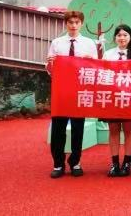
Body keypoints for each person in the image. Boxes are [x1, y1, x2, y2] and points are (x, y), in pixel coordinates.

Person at [46, 10, 98, 178]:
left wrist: (90, 60)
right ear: (66, 24)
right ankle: (58, 163)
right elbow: (50, 71)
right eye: (70, 22)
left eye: (77, 22)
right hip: (61, 91)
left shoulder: (89, 43)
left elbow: (95, 68)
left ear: (81, 24)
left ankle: (75, 162)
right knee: (58, 129)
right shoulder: (57, 43)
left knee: (78, 128)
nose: (74, 25)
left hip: (79, 91)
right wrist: (50, 63)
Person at [101, 25, 131, 177]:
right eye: (119, 35)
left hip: (130, 98)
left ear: (130, 37)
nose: (122, 38)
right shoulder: (108, 54)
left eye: (125, 35)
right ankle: (114, 163)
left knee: (129, 129)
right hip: (112, 97)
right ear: (115, 38)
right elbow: (102, 73)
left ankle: (127, 162)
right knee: (113, 130)